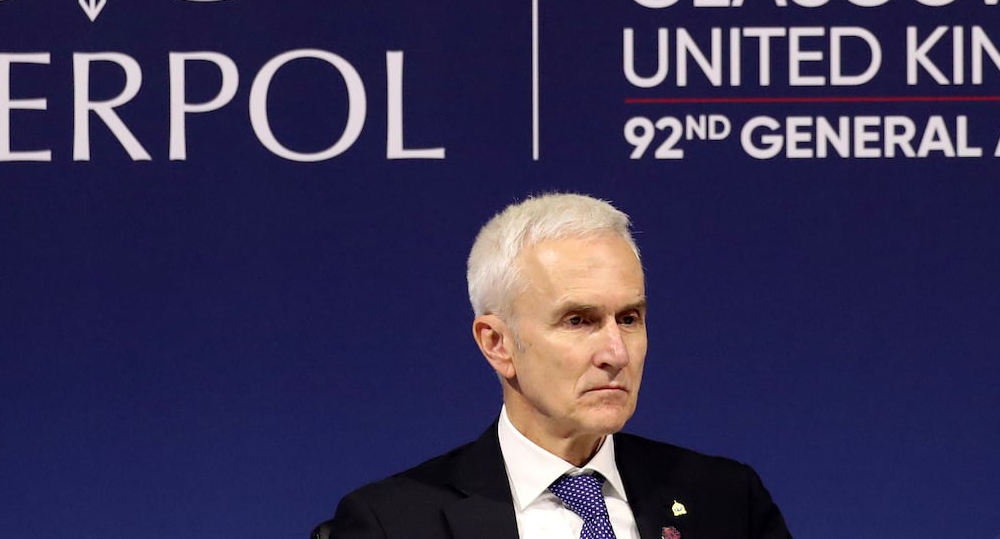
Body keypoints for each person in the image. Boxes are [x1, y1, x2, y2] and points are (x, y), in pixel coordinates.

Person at [329, 192, 792, 538]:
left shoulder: (728, 502)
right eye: (578, 320)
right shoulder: (393, 525)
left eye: (629, 318)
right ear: (497, 343)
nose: (616, 352)